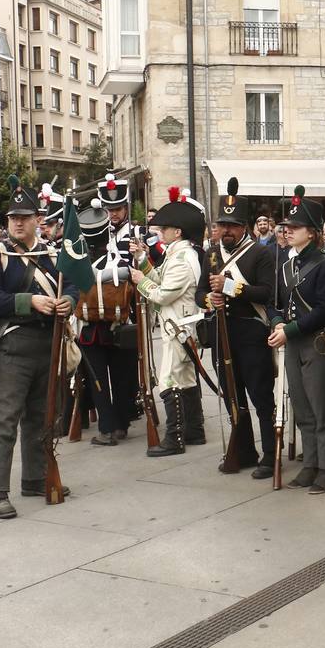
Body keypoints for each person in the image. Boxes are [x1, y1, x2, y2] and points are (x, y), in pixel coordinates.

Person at [0, 179, 79, 519]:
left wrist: (68, 301)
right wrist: (29, 301)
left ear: (38, 220)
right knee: (4, 420)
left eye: (24, 217)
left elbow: (73, 284)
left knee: (42, 416)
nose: (18, 223)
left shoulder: (52, 253)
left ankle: (35, 478)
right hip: (12, 345)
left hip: (48, 342)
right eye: (13, 218)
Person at [268, 188, 325, 493]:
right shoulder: (286, 264)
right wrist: (277, 322)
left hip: (316, 342)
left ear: (311, 233)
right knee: (301, 407)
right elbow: (274, 303)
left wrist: (290, 329)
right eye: (287, 227)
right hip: (292, 341)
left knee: (323, 408)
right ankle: (310, 463)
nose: (287, 231)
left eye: (295, 227)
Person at [205, 177, 277, 479]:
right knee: (232, 396)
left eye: (232, 226)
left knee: (261, 397)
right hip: (222, 333)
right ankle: (244, 450)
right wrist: (208, 299)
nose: (227, 231)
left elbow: (267, 293)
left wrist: (230, 287)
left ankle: (270, 455)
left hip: (251, 334)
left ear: (244, 226)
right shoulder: (211, 254)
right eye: (223, 225)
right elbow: (200, 292)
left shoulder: (260, 253)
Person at [132, 188, 207, 458]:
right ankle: (194, 431)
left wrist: (141, 283)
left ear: (178, 232)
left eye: (165, 229)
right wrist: (142, 260)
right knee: (186, 380)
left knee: (168, 381)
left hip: (178, 327)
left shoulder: (181, 259)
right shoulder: (178, 255)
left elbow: (163, 294)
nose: (160, 232)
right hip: (179, 326)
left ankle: (174, 438)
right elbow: (160, 277)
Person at [73, 204, 136, 446]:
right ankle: (121, 425)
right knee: (122, 380)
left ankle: (107, 429)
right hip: (120, 328)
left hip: (91, 332)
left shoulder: (79, 263)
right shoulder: (122, 257)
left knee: (98, 382)